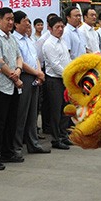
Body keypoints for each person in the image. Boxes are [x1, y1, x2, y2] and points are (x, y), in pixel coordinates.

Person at [0, 7, 24, 165]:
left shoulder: (12, 38)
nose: (10, 22)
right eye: (7, 19)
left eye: (12, 19)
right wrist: (14, 77)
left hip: (13, 86)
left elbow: (18, 57)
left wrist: (19, 70)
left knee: (11, 122)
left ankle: (8, 153)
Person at [12, 11, 48, 156]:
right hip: (25, 77)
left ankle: (33, 143)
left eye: (28, 21)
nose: (28, 23)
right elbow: (20, 61)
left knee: (33, 113)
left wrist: (39, 73)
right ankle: (16, 146)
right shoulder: (14, 39)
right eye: (25, 21)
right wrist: (36, 73)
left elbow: (35, 58)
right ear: (16, 24)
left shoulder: (28, 39)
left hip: (34, 76)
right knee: (21, 113)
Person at [42, 15, 72, 150]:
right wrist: (69, 74)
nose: (60, 29)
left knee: (65, 109)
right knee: (55, 111)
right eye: (57, 27)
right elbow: (55, 65)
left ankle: (63, 135)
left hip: (65, 79)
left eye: (62, 27)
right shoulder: (49, 44)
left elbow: (67, 59)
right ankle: (55, 139)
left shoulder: (62, 42)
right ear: (50, 28)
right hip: (55, 80)